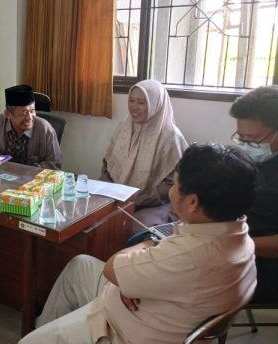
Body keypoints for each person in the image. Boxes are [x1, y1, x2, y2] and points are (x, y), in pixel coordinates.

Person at [20, 144, 257, 344]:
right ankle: (48, 329)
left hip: (121, 329)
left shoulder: (189, 256)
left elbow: (112, 268)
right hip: (158, 306)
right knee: (80, 265)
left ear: (193, 202)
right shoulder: (238, 234)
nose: (172, 190)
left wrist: (145, 247)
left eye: (175, 185)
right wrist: (131, 278)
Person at [101, 80, 187, 226]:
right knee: (94, 219)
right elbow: (108, 163)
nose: (134, 107)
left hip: (156, 204)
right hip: (118, 197)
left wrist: (138, 200)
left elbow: (172, 183)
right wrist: (108, 190)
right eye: (131, 100)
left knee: (130, 226)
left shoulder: (171, 136)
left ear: (155, 104)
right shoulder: (123, 127)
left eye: (141, 102)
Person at [229, 85, 278, 303]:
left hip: (266, 268)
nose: (247, 145)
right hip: (234, 246)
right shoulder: (249, 160)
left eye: (254, 139)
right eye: (241, 137)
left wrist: (236, 244)